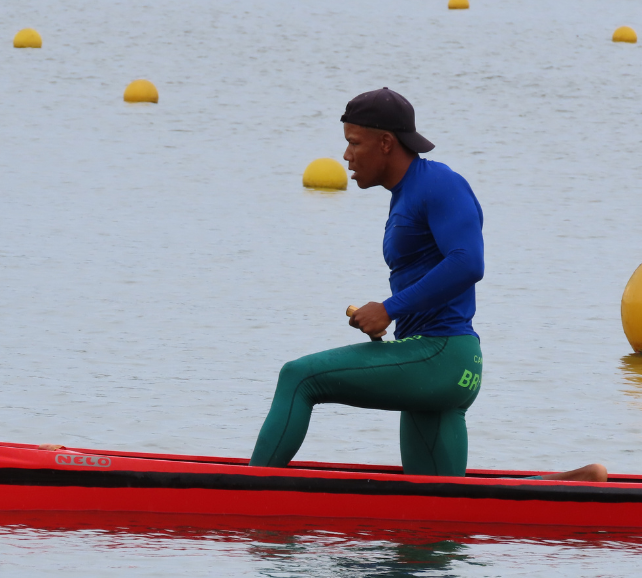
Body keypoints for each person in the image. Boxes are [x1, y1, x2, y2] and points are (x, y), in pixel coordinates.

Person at [249, 88, 606, 482]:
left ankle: (244, 496)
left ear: (386, 143)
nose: (346, 156)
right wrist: (395, 315)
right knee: (441, 505)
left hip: (440, 356)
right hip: (438, 366)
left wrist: (389, 308)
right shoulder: (406, 194)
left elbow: (469, 262)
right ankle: (572, 486)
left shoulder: (438, 183)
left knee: (298, 377)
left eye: (354, 143)